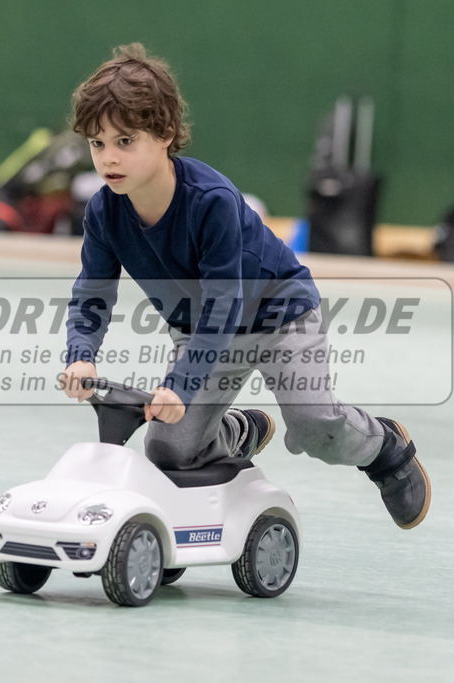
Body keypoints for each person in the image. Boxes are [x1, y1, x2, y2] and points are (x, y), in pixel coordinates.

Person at [59, 43, 429, 529]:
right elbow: (92, 293)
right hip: (203, 332)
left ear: (165, 133)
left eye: (125, 141)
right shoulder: (104, 212)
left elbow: (223, 305)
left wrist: (181, 384)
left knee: (317, 429)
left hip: (280, 316)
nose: (108, 157)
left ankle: (386, 450)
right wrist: (80, 353)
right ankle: (235, 430)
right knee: (169, 449)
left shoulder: (210, 201)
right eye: (97, 143)